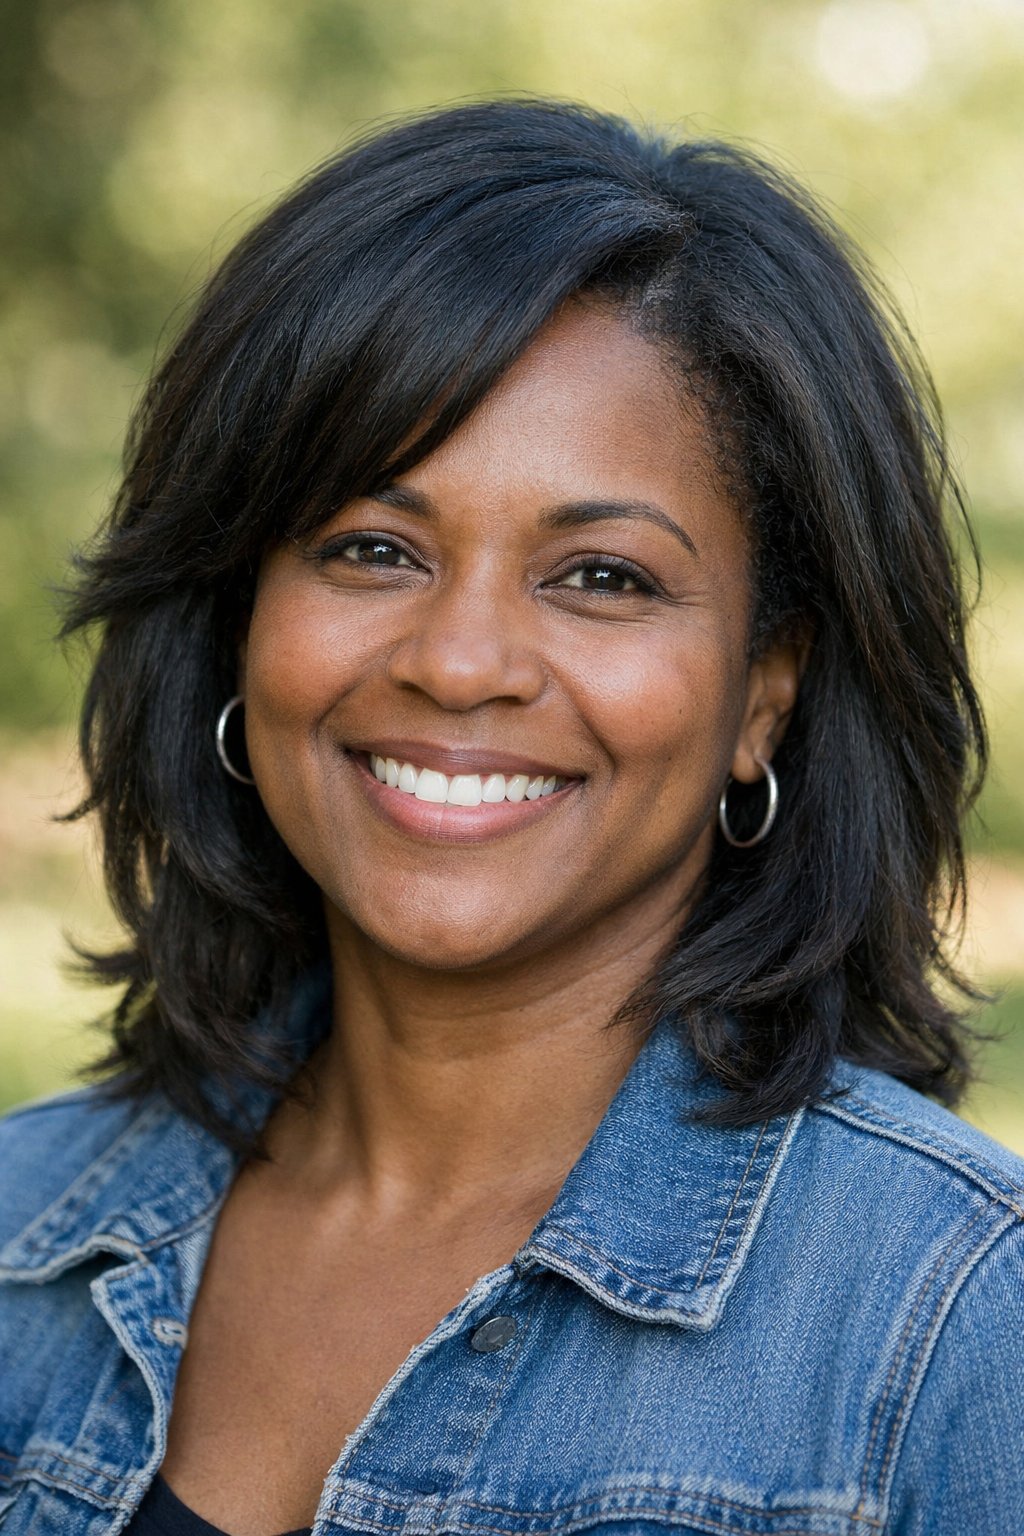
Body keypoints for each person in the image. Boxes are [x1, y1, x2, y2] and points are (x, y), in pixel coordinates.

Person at [0, 97, 1021, 1536]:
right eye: (369, 548)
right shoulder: (19, 1235)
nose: (459, 660)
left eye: (601, 576)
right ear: (237, 618)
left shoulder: (962, 1322)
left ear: (763, 697)